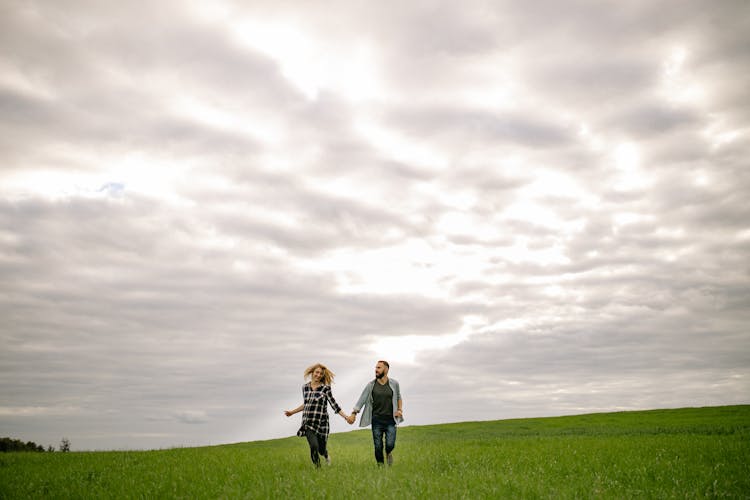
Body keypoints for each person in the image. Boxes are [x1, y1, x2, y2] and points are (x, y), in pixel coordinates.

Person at [285, 363, 351, 468]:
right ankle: (318, 470)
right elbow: (306, 404)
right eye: (317, 372)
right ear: (312, 372)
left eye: (321, 373)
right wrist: (292, 412)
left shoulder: (325, 388)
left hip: (322, 423)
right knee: (314, 446)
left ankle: (326, 455)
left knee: (321, 449)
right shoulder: (305, 387)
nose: (318, 375)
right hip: (308, 423)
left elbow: (334, 404)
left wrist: (346, 417)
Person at [347, 360, 403, 466]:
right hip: (377, 420)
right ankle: (380, 467)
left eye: (379, 368)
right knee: (378, 446)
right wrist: (354, 413)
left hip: (391, 420)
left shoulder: (394, 384)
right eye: (376, 368)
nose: (376, 370)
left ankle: (388, 452)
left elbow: (399, 397)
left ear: (386, 369)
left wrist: (400, 410)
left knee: (390, 444)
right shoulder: (371, 385)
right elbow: (361, 400)